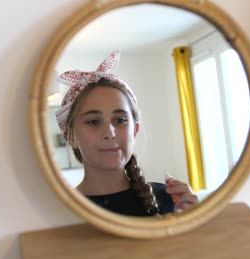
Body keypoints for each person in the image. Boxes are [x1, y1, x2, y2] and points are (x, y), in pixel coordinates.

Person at [56, 51, 198, 217]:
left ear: (135, 130)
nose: (110, 133)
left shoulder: (169, 200)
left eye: (120, 120)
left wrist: (196, 221)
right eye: (93, 122)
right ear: (70, 137)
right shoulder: (62, 213)